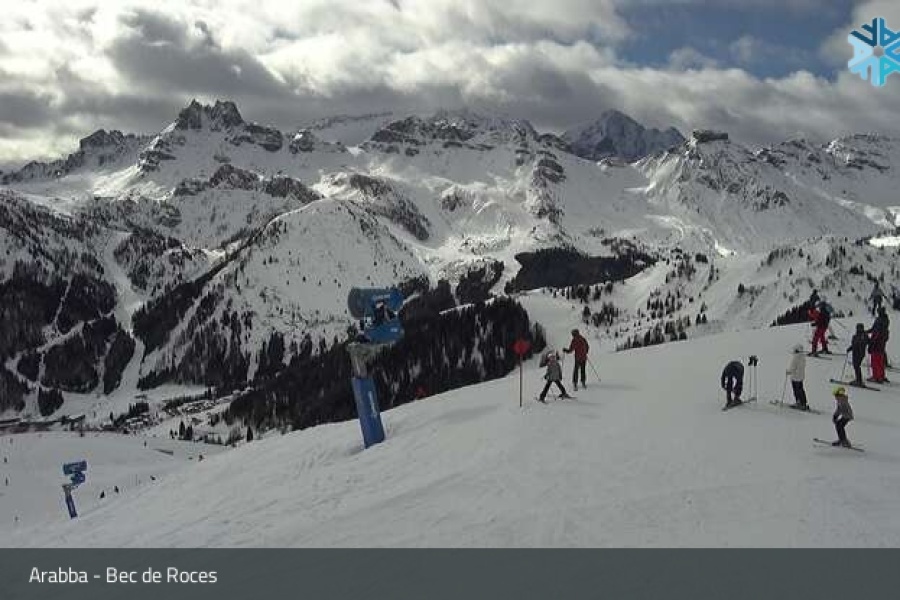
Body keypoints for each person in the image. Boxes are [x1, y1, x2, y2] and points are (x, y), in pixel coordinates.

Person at [868, 307, 890, 383]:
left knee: (875, 360)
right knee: (880, 360)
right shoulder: (885, 320)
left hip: (877, 343)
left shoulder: (880, 321)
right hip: (882, 343)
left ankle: (876, 376)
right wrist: (867, 331)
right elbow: (874, 329)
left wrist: (872, 343)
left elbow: (876, 332)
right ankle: (881, 375)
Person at [786, 344, 809, 410]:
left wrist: (788, 371)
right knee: (801, 390)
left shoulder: (795, 358)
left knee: (796, 390)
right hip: (800, 377)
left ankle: (799, 402)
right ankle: (803, 402)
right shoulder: (803, 357)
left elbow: (793, 368)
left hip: (795, 377)